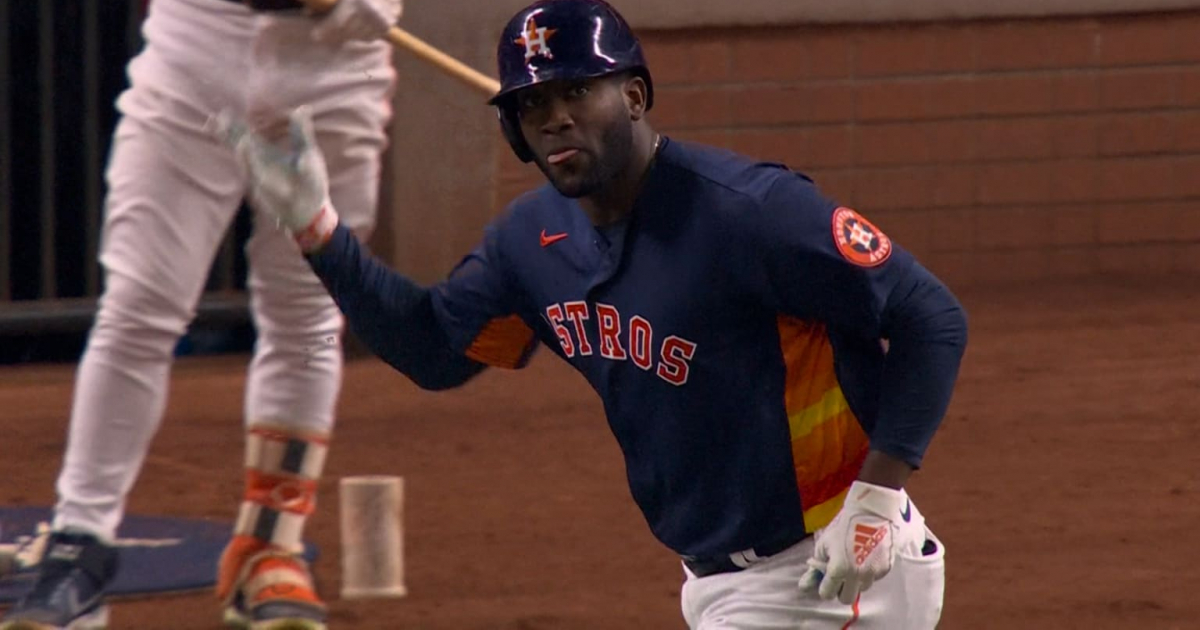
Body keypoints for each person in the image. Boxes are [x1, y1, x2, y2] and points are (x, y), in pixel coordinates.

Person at [218, 0, 968, 627]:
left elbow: (928, 314)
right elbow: (434, 351)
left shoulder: (752, 212)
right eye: (533, 103)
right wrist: (317, 229)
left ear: (634, 97)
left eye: (578, 92)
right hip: (719, 584)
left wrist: (877, 491)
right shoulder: (529, 244)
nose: (555, 118)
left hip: (835, 567)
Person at [0, 0, 401, 628]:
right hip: (194, 52)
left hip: (336, 69)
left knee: (308, 319)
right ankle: (77, 546)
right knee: (137, 306)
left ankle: (271, 547)